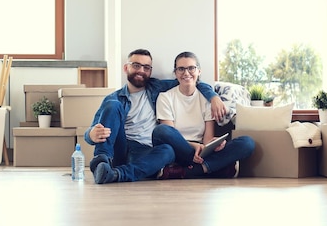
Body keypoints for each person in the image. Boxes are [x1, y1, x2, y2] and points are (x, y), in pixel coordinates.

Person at [84, 48, 226, 184]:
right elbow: (91, 131)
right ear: (126, 68)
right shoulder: (114, 98)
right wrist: (90, 135)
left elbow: (191, 81)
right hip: (122, 146)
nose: (141, 70)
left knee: (168, 151)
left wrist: (214, 97)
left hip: (147, 150)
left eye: (146, 67)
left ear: (150, 71)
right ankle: (101, 162)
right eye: (136, 65)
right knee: (113, 105)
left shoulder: (157, 88)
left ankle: (116, 174)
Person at [152, 51, 255, 179]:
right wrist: (194, 146)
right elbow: (168, 132)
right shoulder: (165, 97)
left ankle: (192, 171)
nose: (186, 73)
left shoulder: (207, 99)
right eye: (181, 69)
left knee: (247, 143)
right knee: (161, 131)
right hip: (181, 149)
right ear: (175, 73)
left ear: (199, 71)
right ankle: (214, 168)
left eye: (191, 68)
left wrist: (214, 144)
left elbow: (207, 139)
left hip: (202, 151)